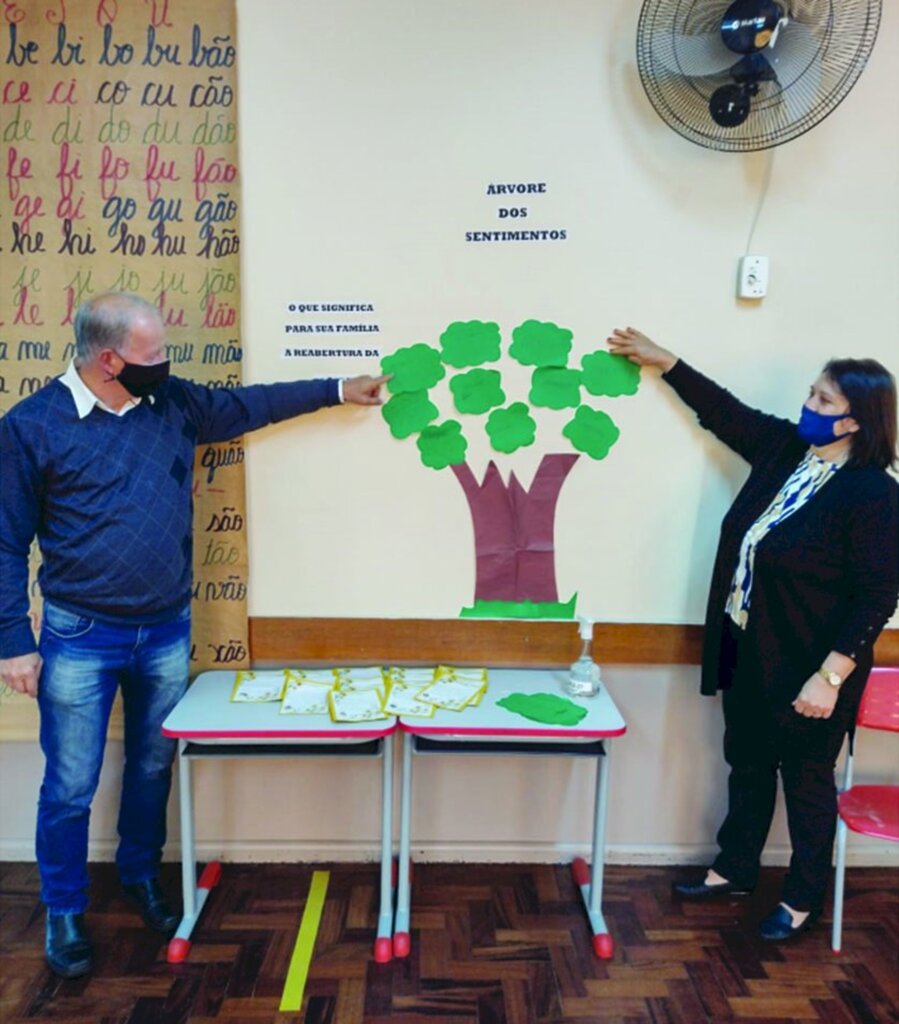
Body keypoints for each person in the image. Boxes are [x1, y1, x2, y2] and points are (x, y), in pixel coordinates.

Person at [0, 292, 389, 978]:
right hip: (78, 635)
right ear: (108, 359)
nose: (167, 365)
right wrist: (12, 641)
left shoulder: (172, 403)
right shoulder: (32, 427)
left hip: (165, 630)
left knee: (153, 766)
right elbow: (4, 541)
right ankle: (63, 910)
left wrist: (336, 388)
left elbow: (252, 405)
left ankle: (140, 875)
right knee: (68, 784)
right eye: (154, 356)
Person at [607, 326, 899, 941]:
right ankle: (736, 868)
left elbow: (878, 595)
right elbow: (725, 413)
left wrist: (830, 677)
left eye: (823, 402)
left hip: (813, 668)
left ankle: (800, 898)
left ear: (854, 422)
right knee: (747, 764)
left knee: (807, 783)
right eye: (811, 394)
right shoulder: (785, 451)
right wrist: (669, 364)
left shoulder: (874, 494)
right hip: (750, 649)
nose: (808, 408)